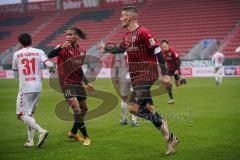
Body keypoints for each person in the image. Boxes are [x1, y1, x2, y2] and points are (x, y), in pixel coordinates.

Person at [100, 6, 179, 155]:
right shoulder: (127, 36)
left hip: (147, 73)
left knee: (132, 108)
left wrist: (166, 74)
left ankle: (162, 122)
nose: (120, 18)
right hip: (136, 77)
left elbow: (157, 51)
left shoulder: (144, 32)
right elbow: (121, 49)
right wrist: (107, 50)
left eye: (123, 16)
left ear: (130, 17)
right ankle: (171, 140)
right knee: (149, 110)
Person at [48, 27, 95, 145]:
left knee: (84, 109)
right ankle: (86, 136)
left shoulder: (82, 51)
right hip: (66, 83)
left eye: (70, 35)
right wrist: (60, 47)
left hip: (78, 83)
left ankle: (73, 132)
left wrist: (87, 82)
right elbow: (49, 55)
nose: (67, 37)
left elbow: (78, 69)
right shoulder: (61, 47)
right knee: (76, 108)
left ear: (77, 36)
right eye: (67, 35)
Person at [12, 33, 54, 147]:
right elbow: (49, 63)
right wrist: (52, 68)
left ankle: (41, 131)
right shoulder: (39, 51)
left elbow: (15, 74)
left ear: (20, 43)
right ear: (31, 40)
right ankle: (30, 141)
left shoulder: (17, 54)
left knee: (20, 115)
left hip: (25, 87)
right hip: (37, 86)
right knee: (30, 113)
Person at [113, 54, 138, 127]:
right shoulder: (135, 50)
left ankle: (124, 119)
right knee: (134, 98)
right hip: (135, 76)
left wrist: (116, 77)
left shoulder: (119, 53)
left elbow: (116, 65)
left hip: (125, 76)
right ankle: (134, 120)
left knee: (123, 99)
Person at [161, 40, 186, 104]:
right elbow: (163, 62)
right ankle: (171, 99)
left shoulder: (172, 51)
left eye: (165, 45)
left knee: (177, 85)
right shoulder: (163, 52)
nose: (163, 46)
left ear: (167, 45)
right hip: (169, 69)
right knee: (166, 83)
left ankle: (181, 80)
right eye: (162, 45)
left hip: (176, 68)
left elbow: (178, 60)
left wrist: (177, 70)